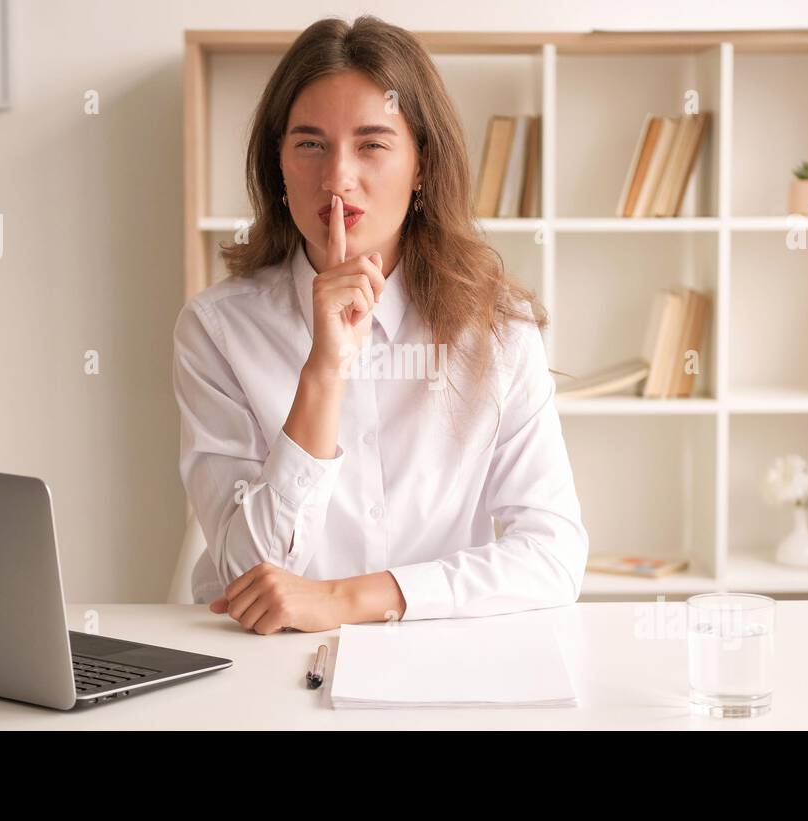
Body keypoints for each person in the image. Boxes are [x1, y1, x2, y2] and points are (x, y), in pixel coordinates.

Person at [172, 15, 587, 634]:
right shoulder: (217, 328)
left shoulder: (498, 331)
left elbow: (554, 555)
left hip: (434, 654)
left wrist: (349, 598)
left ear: (422, 167)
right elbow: (248, 574)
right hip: (261, 664)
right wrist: (325, 369)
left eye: (372, 144)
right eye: (309, 144)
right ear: (277, 167)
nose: (337, 178)